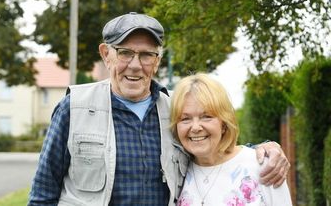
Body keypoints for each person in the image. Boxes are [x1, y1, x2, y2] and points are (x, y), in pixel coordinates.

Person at [28, 12, 290, 206]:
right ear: (106, 54)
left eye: (146, 55)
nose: (135, 65)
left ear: (157, 60)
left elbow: (215, 147)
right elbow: (43, 193)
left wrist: (265, 148)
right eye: (125, 53)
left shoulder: (178, 109)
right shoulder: (74, 107)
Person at [170, 73, 293, 206]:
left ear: (224, 124)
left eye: (206, 116)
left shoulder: (264, 166)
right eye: (185, 119)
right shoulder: (176, 171)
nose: (195, 127)